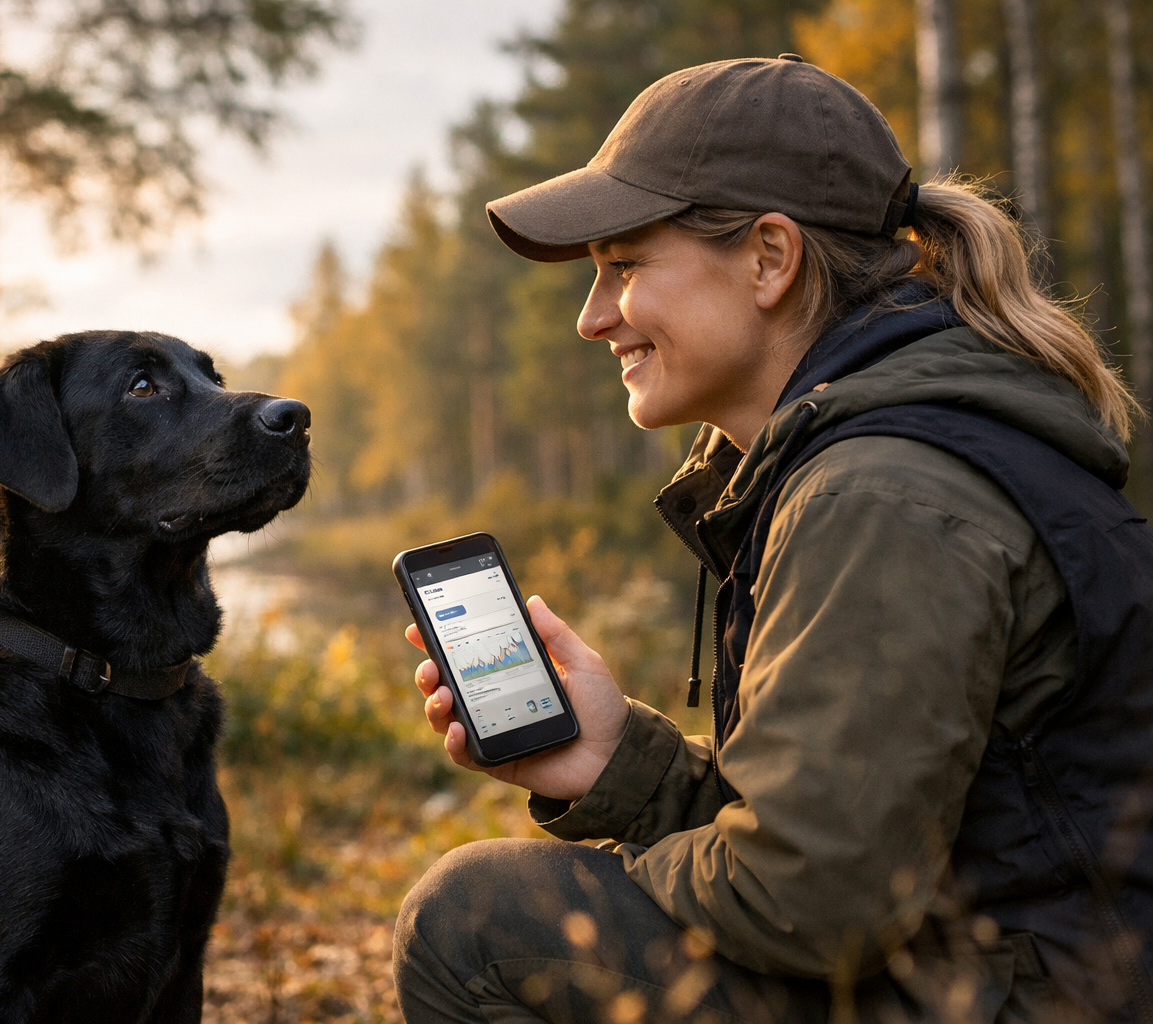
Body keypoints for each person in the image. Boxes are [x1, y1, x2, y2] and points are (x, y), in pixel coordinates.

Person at [392, 56, 1153, 1024]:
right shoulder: (888, 456)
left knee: (475, 921)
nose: (592, 319)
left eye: (623, 267)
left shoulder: (881, 493)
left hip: (1048, 998)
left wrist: (652, 855)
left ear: (769, 258)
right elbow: (851, 844)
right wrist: (619, 760)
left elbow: (813, 905)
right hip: (1034, 971)